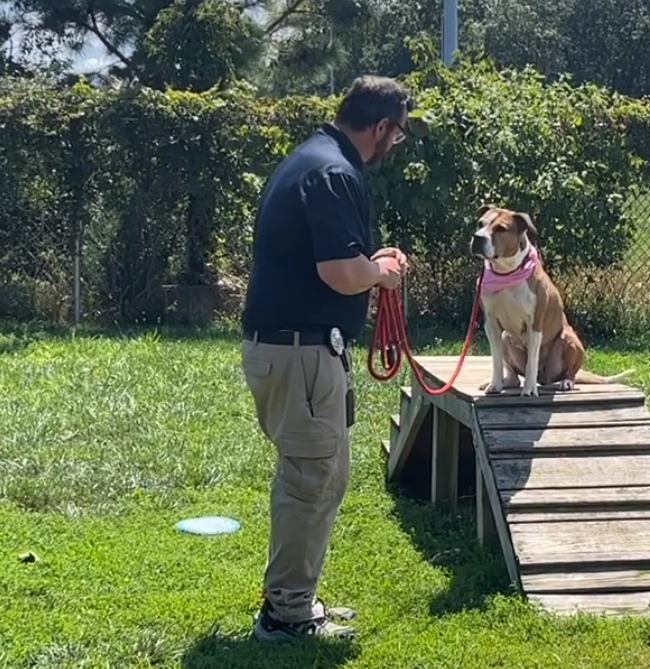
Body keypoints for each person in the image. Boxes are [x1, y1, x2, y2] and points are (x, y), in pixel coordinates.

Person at [238, 75, 413, 642]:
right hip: (301, 353)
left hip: (297, 350)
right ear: (381, 127)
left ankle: (295, 600)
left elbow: (338, 259)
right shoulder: (335, 172)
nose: (396, 145)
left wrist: (369, 263)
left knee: (321, 475)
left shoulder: (314, 158)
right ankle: (286, 615)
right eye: (398, 134)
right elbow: (339, 273)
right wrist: (381, 273)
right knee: (310, 480)